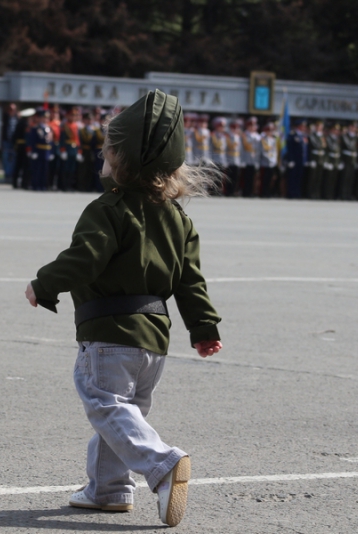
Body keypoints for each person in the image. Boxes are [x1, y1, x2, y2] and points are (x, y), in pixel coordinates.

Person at [24, 89, 221, 527]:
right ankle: (108, 489)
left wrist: (43, 284)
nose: (102, 154)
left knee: (105, 405)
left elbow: (85, 258)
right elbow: (191, 280)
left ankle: (162, 464)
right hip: (154, 339)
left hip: (109, 333)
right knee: (123, 415)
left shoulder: (107, 209)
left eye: (108, 148)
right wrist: (204, 327)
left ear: (121, 159)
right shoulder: (179, 218)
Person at [27, 109, 53, 191]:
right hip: (38, 151)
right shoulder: (35, 128)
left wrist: (51, 152)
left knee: (45, 170)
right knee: (37, 169)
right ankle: (35, 185)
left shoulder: (49, 128)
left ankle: (43, 185)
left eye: (46, 118)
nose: (45, 119)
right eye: (43, 118)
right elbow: (32, 140)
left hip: (46, 151)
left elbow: (51, 142)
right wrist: (33, 151)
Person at [283, 119, 307, 199]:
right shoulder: (292, 134)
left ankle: (297, 193)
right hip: (294, 160)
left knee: (298, 177)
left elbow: (305, 149)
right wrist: (290, 160)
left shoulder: (303, 135)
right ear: (299, 126)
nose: (304, 128)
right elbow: (290, 149)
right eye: (303, 126)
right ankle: (291, 193)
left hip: (300, 160)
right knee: (292, 178)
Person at [240, 117, 260, 197]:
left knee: (253, 177)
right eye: (251, 125)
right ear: (247, 126)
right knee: (245, 177)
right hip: (246, 159)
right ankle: (245, 192)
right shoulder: (244, 135)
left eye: (254, 125)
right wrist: (241, 160)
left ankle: (251, 192)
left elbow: (259, 150)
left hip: (254, 159)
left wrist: (258, 161)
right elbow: (241, 148)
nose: (252, 127)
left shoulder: (258, 136)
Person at [306, 119, 325, 199]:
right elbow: (315, 146)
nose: (319, 128)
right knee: (312, 178)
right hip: (314, 158)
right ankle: (310, 194)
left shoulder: (322, 136)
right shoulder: (312, 136)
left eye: (320, 126)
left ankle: (317, 193)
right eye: (318, 126)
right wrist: (311, 160)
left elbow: (325, 148)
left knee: (319, 178)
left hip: (321, 159)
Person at [322, 122, 341, 200]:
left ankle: (332, 194)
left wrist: (339, 162)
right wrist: (326, 161)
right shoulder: (327, 138)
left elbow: (339, 151)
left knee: (334, 179)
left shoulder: (338, 139)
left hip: (336, 161)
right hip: (330, 160)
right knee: (328, 179)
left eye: (337, 130)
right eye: (334, 130)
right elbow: (326, 151)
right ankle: (326, 194)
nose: (336, 131)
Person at [339, 121, 358, 200]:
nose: (354, 128)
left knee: (351, 178)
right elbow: (340, 148)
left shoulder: (357, 137)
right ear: (349, 127)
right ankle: (342, 194)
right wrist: (340, 160)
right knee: (344, 178)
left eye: (355, 127)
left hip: (353, 160)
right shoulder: (344, 136)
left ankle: (348, 194)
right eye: (352, 127)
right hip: (346, 159)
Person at [258, 122, 278, 197]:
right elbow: (262, 151)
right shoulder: (263, 140)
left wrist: (274, 160)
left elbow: (275, 151)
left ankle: (268, 192)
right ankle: (262, 192)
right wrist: (269, 159)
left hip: (272, 162)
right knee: (264, 179)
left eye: (271, 130)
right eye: (268, 130)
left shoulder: (274, 140)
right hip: (265, 162)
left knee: (270, 179)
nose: (270, 132)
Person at [1, 102, 18, 181]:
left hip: (14, 142)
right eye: (10, 109)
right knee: (6, 158)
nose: (12, 111)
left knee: (13, 159)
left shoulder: (17, 118)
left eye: (14, 109)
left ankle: (11, 174)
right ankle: (7, 174)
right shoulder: (4, 117)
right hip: (6, 141)